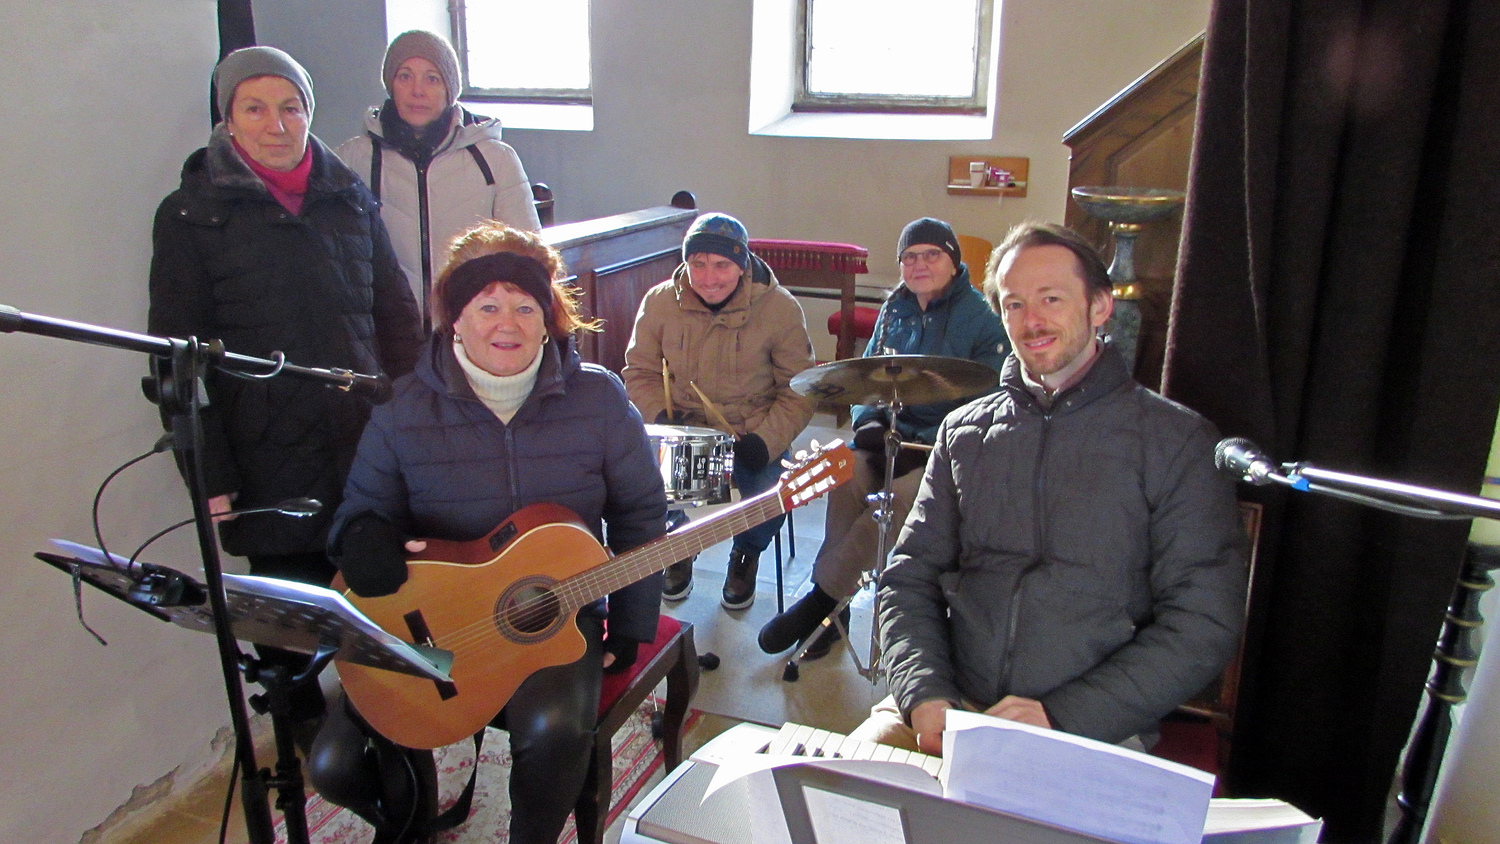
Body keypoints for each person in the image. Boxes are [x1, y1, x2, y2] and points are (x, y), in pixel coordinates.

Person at [322, 222, 666, 844]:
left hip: (553, 614)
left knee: (554, 730)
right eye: (486, 305)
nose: (506, 323)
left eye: (524, 306)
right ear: (454, 318)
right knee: (335, 764)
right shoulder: (402, 408)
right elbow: (360, 511)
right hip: (435, 622)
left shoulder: (599, 399)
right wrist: (364, 538)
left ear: (548, 318)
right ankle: (413, 823)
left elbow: (641, 513)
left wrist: (632, 620)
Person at [854, 221, 1247, 755]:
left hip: (1092, 726)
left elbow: (1204, 621)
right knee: (832, 791)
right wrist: (924, 692)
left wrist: (1061, 716)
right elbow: (908, 578)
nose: (1032, 321)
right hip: (954, 707)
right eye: (1014, 304)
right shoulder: (964, 433)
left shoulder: (1177, 442)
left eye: (1051, 299)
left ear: (1100, 306)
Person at [147, 46, 424, 726]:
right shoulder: (190, 215)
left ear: (309, 113)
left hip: (364, 447)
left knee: (388, 623)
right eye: (256, 108)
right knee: (290, 643)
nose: (277, 124)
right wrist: (209, 474)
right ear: (228, 119)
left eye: (291, 107)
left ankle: (393, 758)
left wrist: (419, 429)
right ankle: (318, 757)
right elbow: (176, 361)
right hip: (266, 456)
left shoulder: (349, 199)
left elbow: (397, 322)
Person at [757, 217, 1006, 659]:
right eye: (910, 257)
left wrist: (926, 437)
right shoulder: (894, 309)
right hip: (890, 437)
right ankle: (835, 614)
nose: (919, 265)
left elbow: (989, 403)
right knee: (846, 476)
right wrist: (868, 421)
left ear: (953, 262)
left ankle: (821, 602)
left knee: (897, 500)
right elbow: (863, 376)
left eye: (931, 255)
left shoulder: (983, 318)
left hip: (944, 449)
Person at [622, 213, 816, 609]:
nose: (708, 278)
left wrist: (766, 441)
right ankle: (680, 547)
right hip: (685, 429)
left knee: (770, 499)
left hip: (752, 431)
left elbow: (800, 390)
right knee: (643, 493)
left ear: (742, 264)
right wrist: (658, 415)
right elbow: (638, 372)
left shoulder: (780, 308)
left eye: (722, 265)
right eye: (698, 264)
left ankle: (746, 553)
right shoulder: (660, 302)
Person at [337, 29, 542, 328]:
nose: (417, 91)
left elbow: (529, 257)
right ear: (391, 85)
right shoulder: (355, 158)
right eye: (405, 76)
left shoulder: (495, 159)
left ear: (449, 88)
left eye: (432, 78)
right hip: (389, 331)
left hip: (472, 330)